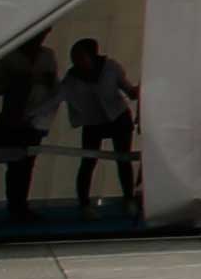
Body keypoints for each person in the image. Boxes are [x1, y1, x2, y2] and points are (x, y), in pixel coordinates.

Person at [58, 39, 140, 211]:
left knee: (123, 160)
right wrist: (31, 112)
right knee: (88, 162)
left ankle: (129, 199)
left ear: (92, 55)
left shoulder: (111, 67)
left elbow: (129, 91)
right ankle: (84, 205)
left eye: (81, 57)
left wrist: (139, 90)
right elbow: (55, 97)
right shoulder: (72, 77)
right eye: (74, 57)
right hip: (93, 122)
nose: (77, 61)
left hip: (118, 118)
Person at [0, 45, 51, 219]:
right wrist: (18, 81)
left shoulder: (46, 56)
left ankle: (19, 205)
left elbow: (53, 87)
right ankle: (15, 205)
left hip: (35, 120)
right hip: (12, 118)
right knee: (13, 164)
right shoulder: (10, 57)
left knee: (25, 165)